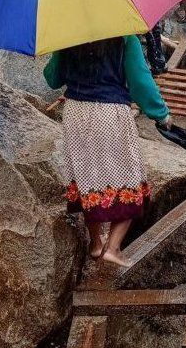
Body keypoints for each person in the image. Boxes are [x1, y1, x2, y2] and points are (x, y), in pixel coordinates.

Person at [43, 36, 171, 266]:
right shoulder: (125, 37)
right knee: (130, 179)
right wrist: (161, 113)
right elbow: (140, 82)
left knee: (86, 177)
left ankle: (96, 244)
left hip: (75, 113)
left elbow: (53, 79)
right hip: (110, 113)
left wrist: (57, 50)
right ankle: (113, 248)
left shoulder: (67, 35)